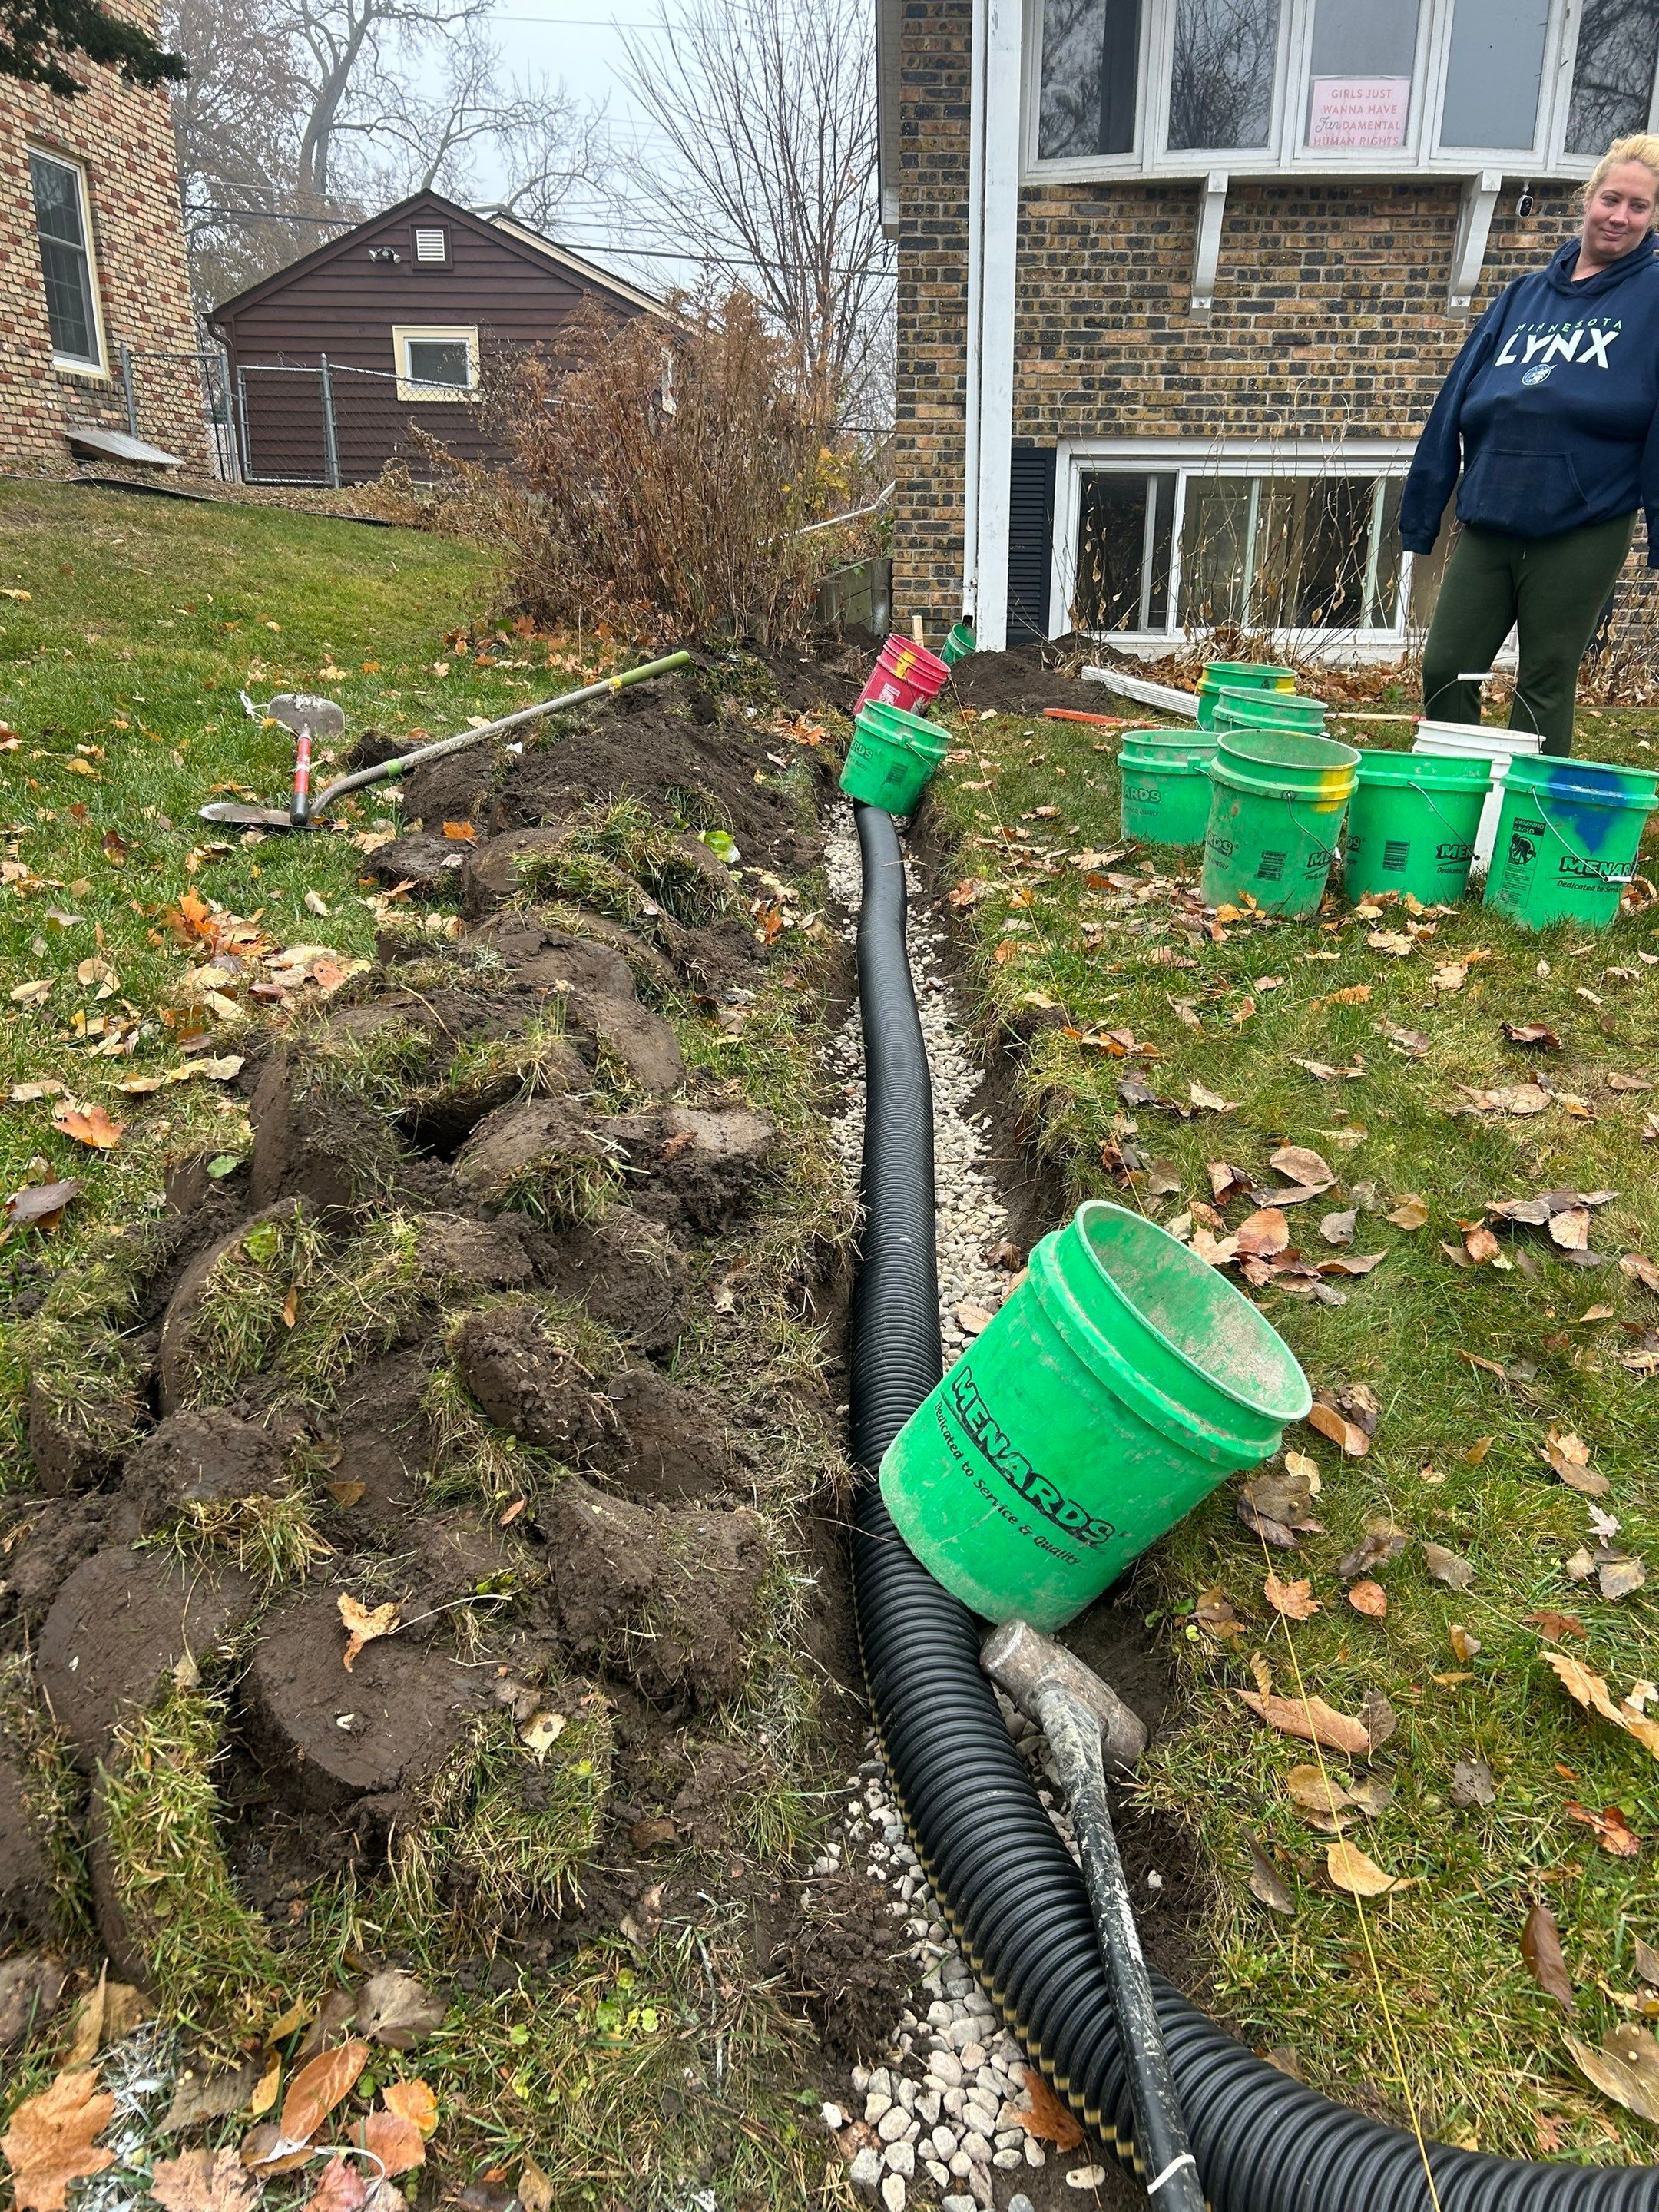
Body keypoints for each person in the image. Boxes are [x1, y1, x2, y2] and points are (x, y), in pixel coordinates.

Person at [1399, 135, 1659, 756]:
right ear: (1588, 199)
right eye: (1611, 199)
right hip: (1491, 515)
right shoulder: (1522, 297)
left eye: (1640, 206)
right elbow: (1455, 401)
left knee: (1544, 682)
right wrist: (1424, 509)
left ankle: (1526, 814)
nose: (1620, 217)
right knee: (1447, 666)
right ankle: (1454, 800)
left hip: (1583, 522)